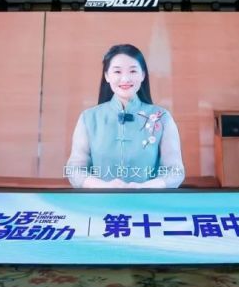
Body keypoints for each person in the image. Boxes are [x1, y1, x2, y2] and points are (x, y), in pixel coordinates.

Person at [65, 44, 185, 189]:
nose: (125, 78)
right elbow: (75, 170)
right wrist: (105, 187)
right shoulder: (89, 118)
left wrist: (144, 188)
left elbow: (175, 171)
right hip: (100, 201)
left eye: (133, 71)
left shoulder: (161, 117)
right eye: (117, 71)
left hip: (148, 200)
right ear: (107, 76)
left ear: (143, 75)